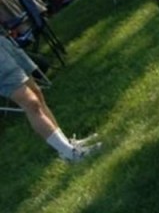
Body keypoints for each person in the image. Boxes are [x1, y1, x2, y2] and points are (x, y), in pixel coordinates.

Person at [0, 34, 101, 162]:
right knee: (31, 103)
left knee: (37, 93)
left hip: (3, 45)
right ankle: (70, 154)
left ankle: (67, 145)